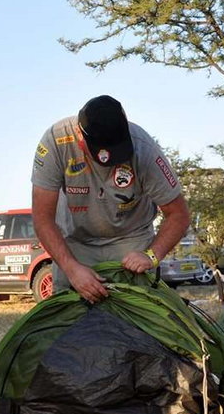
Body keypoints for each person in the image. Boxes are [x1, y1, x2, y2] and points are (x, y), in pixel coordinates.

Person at [31, 95, 191, 304]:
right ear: (80, 139)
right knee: (70, 318)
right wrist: (72, 269)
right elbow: (42, 219)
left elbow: (179, 214)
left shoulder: (144, 149)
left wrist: (151, 255)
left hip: (131, 240)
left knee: (138, 315)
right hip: (76, 242)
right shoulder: (55, 141)